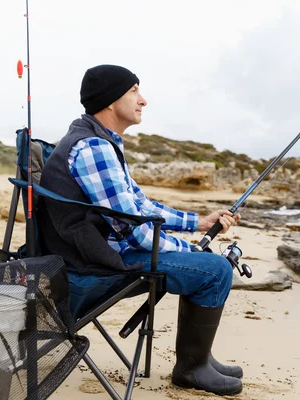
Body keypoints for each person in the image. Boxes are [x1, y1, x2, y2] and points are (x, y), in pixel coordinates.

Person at [38, 64, 243, 396]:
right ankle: (192, 369)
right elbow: (132, 228)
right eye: (134, 90)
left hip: (91, 251)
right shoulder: (93, 147)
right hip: (89, 265)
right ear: (109, 100)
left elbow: (139, 206)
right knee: (216, 270)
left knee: (204, 263)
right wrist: (188, 248)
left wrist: (198, 223)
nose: (143, 100)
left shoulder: (102, 142)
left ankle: (198, 358)